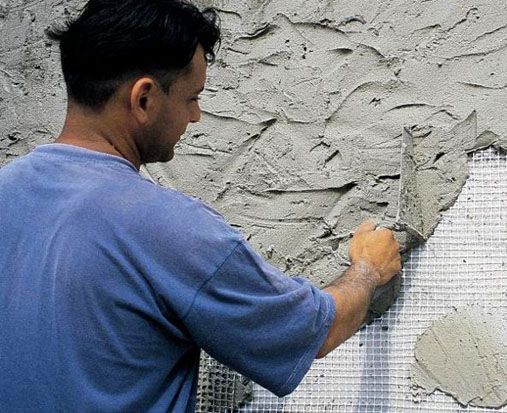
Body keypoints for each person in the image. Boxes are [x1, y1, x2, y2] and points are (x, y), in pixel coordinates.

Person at [0, 0, 402, 411]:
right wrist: (367, 271)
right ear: (143, 99)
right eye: (191, 98)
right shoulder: (167, 226)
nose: (195, 116)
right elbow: (315, 332)